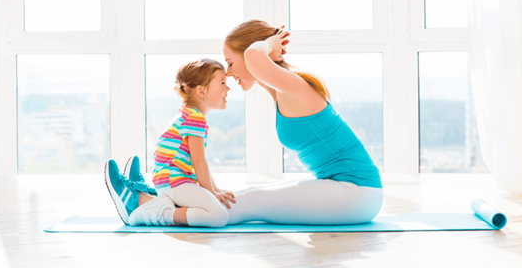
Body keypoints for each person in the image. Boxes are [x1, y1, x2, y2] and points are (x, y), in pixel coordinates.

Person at [222, 19, 384, 225]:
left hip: (356, 192)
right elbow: (254, 58)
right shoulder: (281, 92)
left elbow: (253, 55)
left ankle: (177, 216)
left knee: (250, 202)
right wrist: (268, 50)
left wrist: (271, 44)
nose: (227, 73)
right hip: (351, 191)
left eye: (230, 63)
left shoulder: (295, 87)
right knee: (246, 195)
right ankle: (185, 209)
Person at [104, 58, 236, 227]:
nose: (228, 87)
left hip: (170, 181)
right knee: (218, 216)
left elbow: (199, 162)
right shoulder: (195, 118)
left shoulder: (189, 114)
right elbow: (199, 161)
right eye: (223, 82)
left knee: (215, 207)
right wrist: (211, 192)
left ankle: (144, 195)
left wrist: (214, 190)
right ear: (201, 91)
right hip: (175, 182)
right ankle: (151, 210)